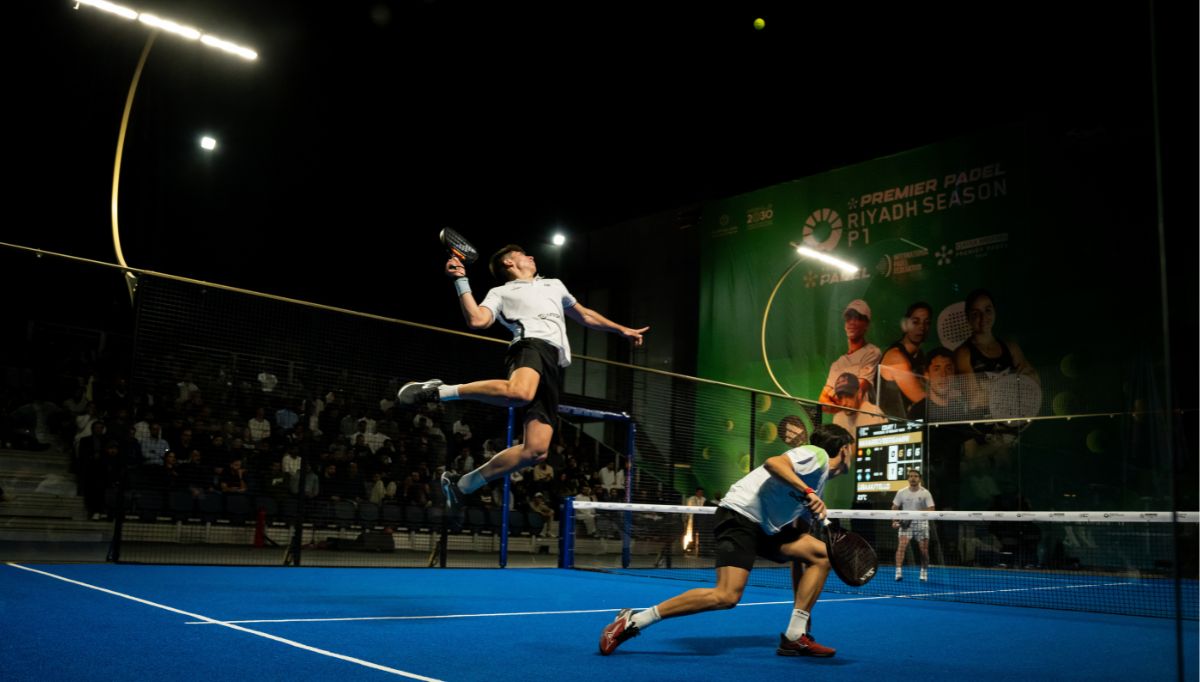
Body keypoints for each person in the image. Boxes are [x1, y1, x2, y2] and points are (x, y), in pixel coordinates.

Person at [399, 243, 649, 512]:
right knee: (520, 392)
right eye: (523, 254)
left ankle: (463, 484)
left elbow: (585, 315)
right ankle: (440, 391)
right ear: (509, 263)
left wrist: (621, 329)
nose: (531, 256)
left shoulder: (554, 285)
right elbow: (478, 320)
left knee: (535, 451)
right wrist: (461, 279)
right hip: (530, 346)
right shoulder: (501, 292)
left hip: (553, 363)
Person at [598, 423, 854, 658]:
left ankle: (795, 636)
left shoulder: (819, 482)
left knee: (820, 554)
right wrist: (807, 491)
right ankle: (635, 620)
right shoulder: (816, 455)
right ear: (844, 449)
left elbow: (801, 556)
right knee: (726, 596)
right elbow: (774, 463)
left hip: (767, 528)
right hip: (741, 515)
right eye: (853, 448)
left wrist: (802, 612)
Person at [953, 289, 1040, 415]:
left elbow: (1033, 383)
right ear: (968, 318)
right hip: (981, 425)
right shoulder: (963, 353)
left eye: (987, 310)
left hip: (1012, 422)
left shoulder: (1011, 348)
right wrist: (1014, 388)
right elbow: (974, 400)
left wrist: (988, 389)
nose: (983, 318)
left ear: (994, 312)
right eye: (976, 313)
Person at [818, 299, 881, 412]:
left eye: (857, 318)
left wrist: (834, 397)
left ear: (866, 324)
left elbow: (856, 398)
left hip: (865, 418)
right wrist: (845, 401)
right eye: (848, 318)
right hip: (840, 421)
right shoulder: (837, 364)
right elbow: (822, 403)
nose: (851, 322)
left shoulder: (872, 352)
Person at [877, 301, 932, 419]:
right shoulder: (896, 356)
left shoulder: (919, 355)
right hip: (891, 426)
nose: (922, 327)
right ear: (905, 325)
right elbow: (922, 400)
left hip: (911, 423)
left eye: (926, 323)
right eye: (915, 322)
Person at [891, 469, 935, 581]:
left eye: (915, 476)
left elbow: (931, 509)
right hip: (906, 524)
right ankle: (898, 572)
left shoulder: (925, 493)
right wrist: (894, 521)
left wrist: (917, 513)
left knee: (924, 550)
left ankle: (923, 572)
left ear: (919, 479)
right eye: (910, 476)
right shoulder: (901, 492)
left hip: (921, 523)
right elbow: (895, 507)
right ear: (908, 479)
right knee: (901, 546)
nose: (913, 478)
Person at [829, 373, 887, 437]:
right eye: (840, 398)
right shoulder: (838, 418)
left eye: (848, 396)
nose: (844, 403)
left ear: (859, 393)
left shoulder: (873, 414)